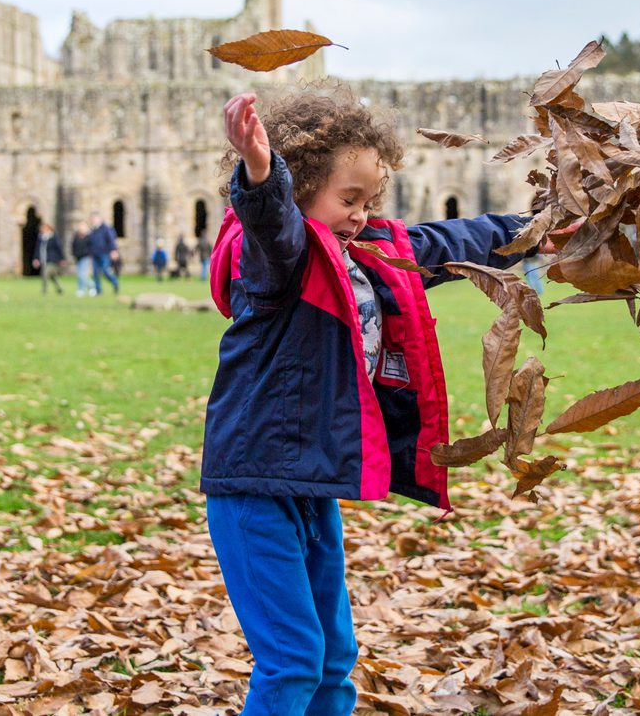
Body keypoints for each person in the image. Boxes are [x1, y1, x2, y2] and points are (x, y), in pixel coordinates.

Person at [206, 88, 531, 716]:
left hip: (311, 483)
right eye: (347, 199)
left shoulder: (368, 255)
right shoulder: (275, 260)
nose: (359, 216)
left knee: (333, 657)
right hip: (254, 486)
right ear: (303, 189)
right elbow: (272, 226)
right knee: (293, 659)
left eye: (369, 201)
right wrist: (262, 173)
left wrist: (535, 230)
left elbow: (451, 242)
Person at [86, 213, 121, 295]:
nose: (94, 220)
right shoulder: (92, 230)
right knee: (95, 273)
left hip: (104, 253)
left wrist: (114, 250)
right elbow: (89, 243)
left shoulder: (106, 229)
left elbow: (111, 240)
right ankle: (98, 290)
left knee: (105, 270)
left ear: (100, 219)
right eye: (92, 219)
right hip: (95, 254)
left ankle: (115, 283)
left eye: (95, 219)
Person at [33, 222, 65, 295]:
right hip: (43, 259)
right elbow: (38, 249)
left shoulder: (54, 238)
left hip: (52, 259)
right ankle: (59, 288)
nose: (42, 229)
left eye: (44, 228)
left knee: (45, 273)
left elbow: (59, 248)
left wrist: (62, 259)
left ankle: (44, 290)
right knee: (52, 276)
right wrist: (36, 258)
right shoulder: (41, 238)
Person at [71, 227, 94, 296]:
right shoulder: (76, 238)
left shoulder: (89, 237)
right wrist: (74, 255)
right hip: (78, 258)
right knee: (81, 274)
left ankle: (83, 288)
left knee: (81, 273)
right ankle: (89, 287)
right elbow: (73, 247)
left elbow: (92, 247)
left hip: (86, 257)